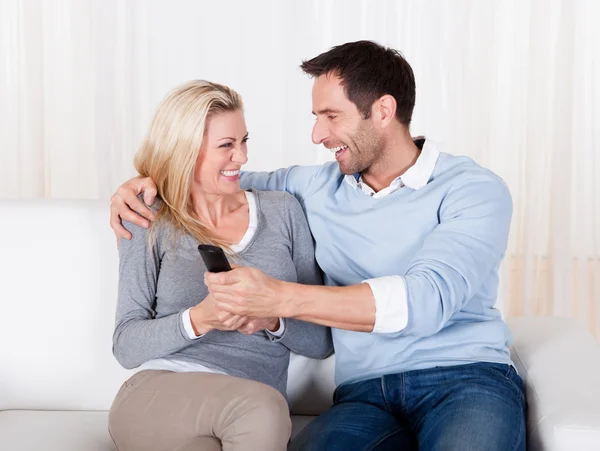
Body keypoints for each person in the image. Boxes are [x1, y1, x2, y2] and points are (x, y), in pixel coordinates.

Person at [110, 41, 526, 451]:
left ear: (383, 111)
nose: (316, 134)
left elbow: (424, 300)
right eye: (316, 117)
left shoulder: (472, 190)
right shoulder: (315, 187)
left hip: (467, 377)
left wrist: (276, 300)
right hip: (365, 395)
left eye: (331, 116)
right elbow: (217, 179)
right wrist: (145, 185)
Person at [108, 80, 332, 451]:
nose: (242, 157)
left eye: (244, 141)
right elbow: (125, 345)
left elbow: (321, 340)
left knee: (256, 413)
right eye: (226, 146)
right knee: (262, 411)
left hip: (250, 407)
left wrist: (270, 318)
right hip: (159, 395)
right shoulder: (147, 217)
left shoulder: (283, 211)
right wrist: (201, 319)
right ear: (184, 152)